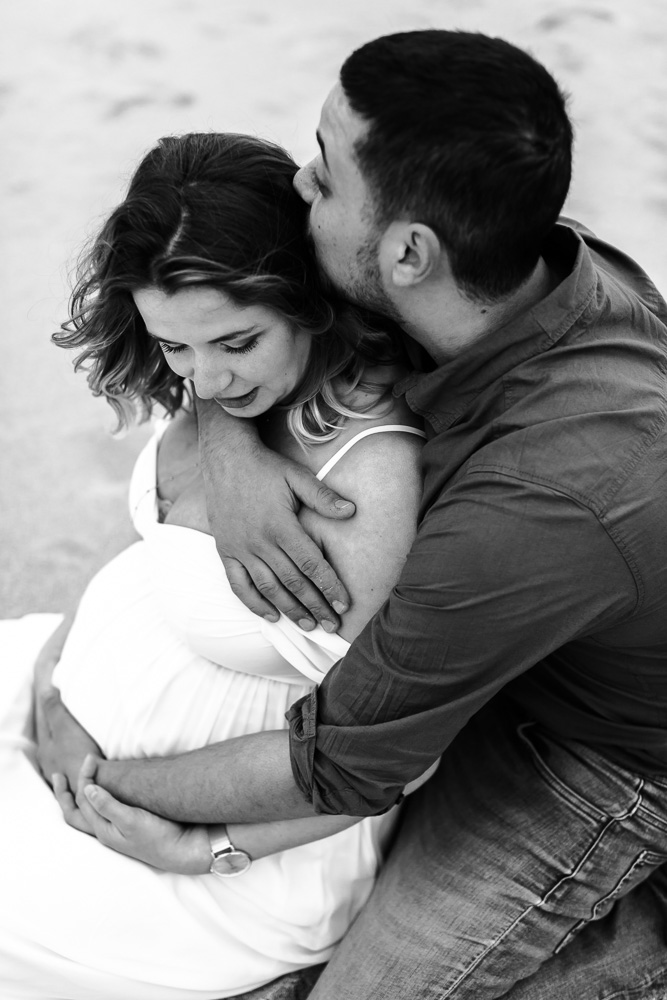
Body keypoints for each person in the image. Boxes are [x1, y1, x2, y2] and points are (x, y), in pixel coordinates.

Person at [38, 29, 667, 999]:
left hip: (592, 754)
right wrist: (230, 441)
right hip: (473, 644)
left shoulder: (545, 491)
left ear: (408, 250)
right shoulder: (498, 275)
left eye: (324, 178)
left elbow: (345, 759)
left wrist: (97, 770)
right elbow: (230, 307)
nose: (297, 185)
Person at [0, 130, 438, 998]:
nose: (204, 378)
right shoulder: (232, 387)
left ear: (308, 297)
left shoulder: (368, 483)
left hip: (218, 862)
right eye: (174, 346)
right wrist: (58, 687)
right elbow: (157, 554)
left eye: (236, 343)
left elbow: (393, 756)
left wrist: (205, 845)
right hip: (63, 714)